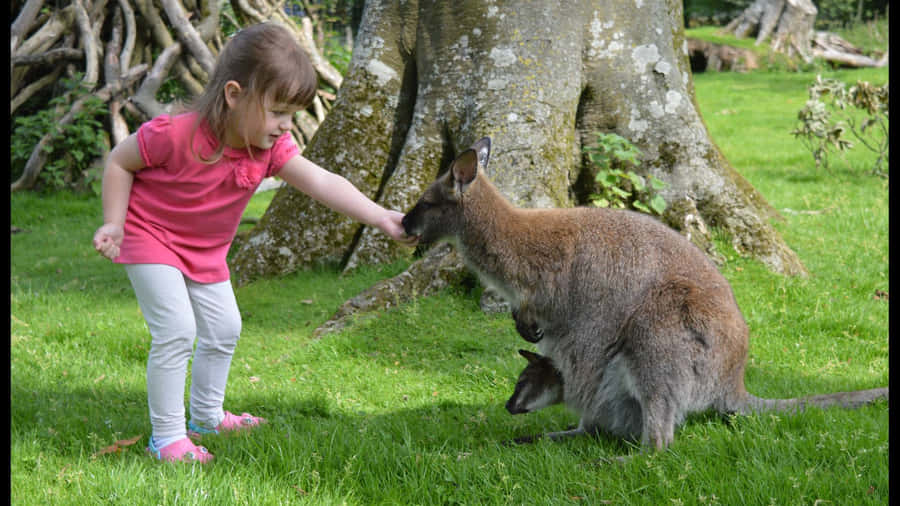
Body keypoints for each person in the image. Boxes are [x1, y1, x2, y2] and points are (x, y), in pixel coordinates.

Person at [92, 22, 416, 463]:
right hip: (150, 236)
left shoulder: (270, 150)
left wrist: (381, 216)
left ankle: (205, 417)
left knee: (225, 329)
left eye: (292, 115)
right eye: (278, 111)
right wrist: (114, 223)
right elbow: (119, 161)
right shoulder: (174, 133)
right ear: (233, 94)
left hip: (205, 252)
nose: (286, 126)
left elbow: (321, 181)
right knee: (177, 331)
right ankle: (166, 438)